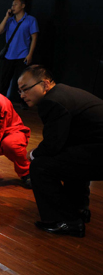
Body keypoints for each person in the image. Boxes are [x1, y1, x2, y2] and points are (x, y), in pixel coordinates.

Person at [19, 65, 103, 237]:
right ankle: (78, 209)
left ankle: (67, 221)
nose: (22, 95)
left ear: (46, 84)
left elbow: (52, 145)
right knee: (69, 157)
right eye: (20, 91)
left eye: (26, 89)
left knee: (40, 166)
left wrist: (33, 154)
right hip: (95, 149)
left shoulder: (52, 101)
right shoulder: (64, 93)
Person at [0, 0, 38, 105]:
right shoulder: (9, 21)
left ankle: (24, 102)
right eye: (12, 5)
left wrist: (30, 54)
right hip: (9, 55)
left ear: (23, 6)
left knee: (23, 82)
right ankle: (0, 101)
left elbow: (34, 38)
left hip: (22, 55)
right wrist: (6, 17)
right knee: (4, 81)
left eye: (15, 4)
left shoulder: (30, 20)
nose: (13, 7)